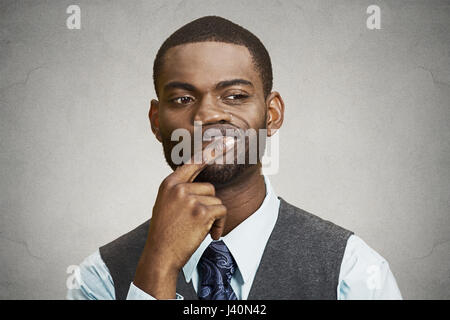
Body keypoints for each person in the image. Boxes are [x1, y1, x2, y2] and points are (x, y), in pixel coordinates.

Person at [67, 16, 402, 300]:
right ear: (156, 121)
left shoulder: (352, 269)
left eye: (235, 96)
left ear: (272, 115)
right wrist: (158, 265)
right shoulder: (100, 277)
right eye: (183, 99)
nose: (208, 115)